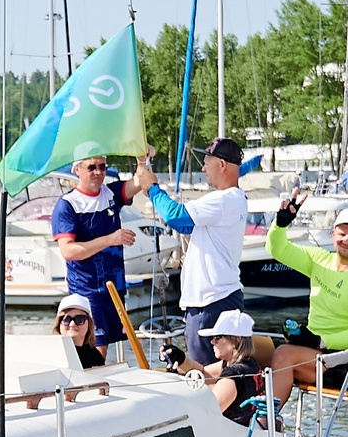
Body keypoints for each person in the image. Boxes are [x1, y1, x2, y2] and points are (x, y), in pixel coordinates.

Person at [137, 135, 251, 366]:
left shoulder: (223, 200)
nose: (203, 167)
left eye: (206, 161)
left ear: (221, 164)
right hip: (223, 297)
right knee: (223, 371)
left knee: (204, 374)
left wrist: (153, 189)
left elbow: (175, 217)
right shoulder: (235, 200)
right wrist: (143, 168)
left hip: (209, 302)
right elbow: (187, 223)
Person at [264, 198, 348, 394]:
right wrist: (281, 224)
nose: (346, 240)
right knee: (255, 348)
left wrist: (321, 341)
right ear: (332, 233)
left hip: (341, 363)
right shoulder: (318, 260)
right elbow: (277, 249)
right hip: (311, 351)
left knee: (283, 354)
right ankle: (238, 415)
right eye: (342, 234)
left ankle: (267, 418)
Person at [49, 146, 140, 357]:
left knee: (112, 345)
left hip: (114, 287)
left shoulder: (111, 193)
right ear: (77, 169)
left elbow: (142, 181)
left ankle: (105, 385)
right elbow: (68, 251)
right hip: (87, 290)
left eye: (102, 166)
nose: (98, 172)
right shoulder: (67, 205)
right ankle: (89, 387)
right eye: (91, 167)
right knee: (96, 350)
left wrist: (142, 159)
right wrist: (111, 239)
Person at [185, 307, 265, 425]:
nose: (212, 342)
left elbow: (208, 413)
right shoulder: (249, 364)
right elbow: (202, 373)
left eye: (217, 337)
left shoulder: (231, 377)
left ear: (236, 340)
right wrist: (181, 359)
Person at [53, 293, 107, 368]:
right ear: (59, 323)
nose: (72, 324)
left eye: (79, 319)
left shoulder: (94, 356)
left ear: (89, 324)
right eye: (66, 319)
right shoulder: (51, 353)